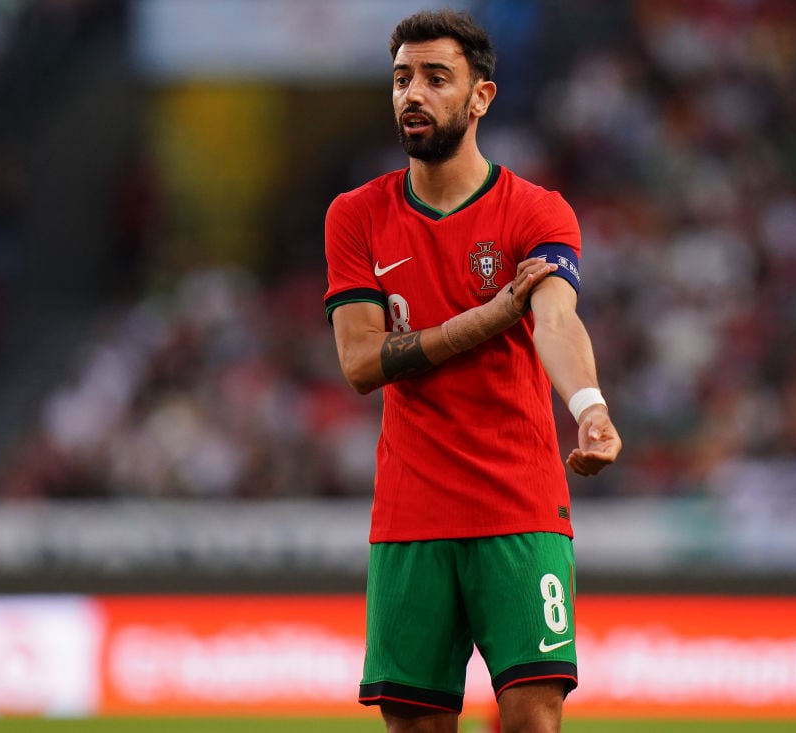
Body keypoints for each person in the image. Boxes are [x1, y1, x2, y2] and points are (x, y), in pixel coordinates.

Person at [323, 10, 621, 733]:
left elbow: (554, 317)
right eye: (401, 79)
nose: (411, 95)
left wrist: (589, 405)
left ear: (481, 97)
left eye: (434, 77)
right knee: (415, 725)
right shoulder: (356, 216)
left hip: (517, 503)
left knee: (531, 718)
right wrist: (485, 319)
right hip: (410, 514)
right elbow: (361, 362)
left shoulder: (536, 211)